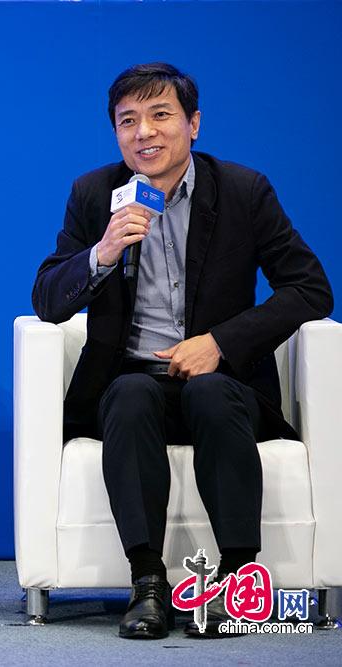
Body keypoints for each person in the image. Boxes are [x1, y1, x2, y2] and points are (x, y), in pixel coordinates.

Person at [32, 62, 333, 639]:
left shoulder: (242, 190)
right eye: (128, 121)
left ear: (193, 124)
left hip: (224, 384)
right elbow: (47, 299)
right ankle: (147, 583)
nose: (143, 132)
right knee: (129, 393)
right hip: (132, 386)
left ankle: (239, 583)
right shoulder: (95, 195)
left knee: (212, 394)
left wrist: (221, 342)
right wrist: (101, 252)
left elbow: (310, 288)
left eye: (160, 115)